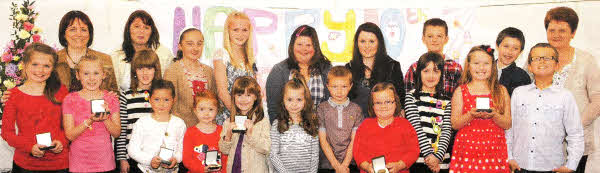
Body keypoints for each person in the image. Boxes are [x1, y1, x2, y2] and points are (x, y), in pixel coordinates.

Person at [531, 7, 600, 173]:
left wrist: (573, 126)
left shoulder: (586, 60)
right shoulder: (536, 57)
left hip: (575, 143)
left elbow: (597, 99)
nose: (556, 35)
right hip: (541, 144)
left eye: (562, 30)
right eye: (551, 30)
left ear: (573, 33)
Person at [507, 43, 584, 173]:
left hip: (551, 167)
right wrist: (509, 157)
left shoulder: (565, 96)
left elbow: (575, 134)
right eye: (536, 58)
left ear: (557, 65)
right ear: (530, 66)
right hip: (519, 166)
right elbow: (509, 128)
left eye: (548, 58)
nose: (542, 61)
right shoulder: (519, 93)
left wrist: (571, 165)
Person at [1, 43, 69, 172]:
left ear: (53, 68)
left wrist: (61, 142)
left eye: (46, 66)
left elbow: (70, 125)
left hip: (60, 164)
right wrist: (29, 147)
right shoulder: (13, 95)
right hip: (26, 165)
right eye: (35, 64)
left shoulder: (61, 92)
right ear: (25, 65)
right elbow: (6, 133)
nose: (40, 70)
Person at [449, 45, 511, 173]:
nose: (481, 68)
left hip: (494, 149)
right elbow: (455, 124)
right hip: (467, 150)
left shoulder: (501, 90)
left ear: (492, 66)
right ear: (469, 65)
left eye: (486, 64)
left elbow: (507, 123)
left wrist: (494, 115)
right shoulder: (461, 91)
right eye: (476, 63)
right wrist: (470, 115)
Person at [62, 55, 121, 172]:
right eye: (86, 74)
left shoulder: (111, 98)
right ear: (78, 76)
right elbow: (69, 135)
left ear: (103, 75)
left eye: (96, 73)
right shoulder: (70, 99)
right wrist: (90, 120)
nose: (91, 78)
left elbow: (116, 133)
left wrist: (105, 119)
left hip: (105, 162)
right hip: (79, 162)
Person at [266, 25, 332, 123]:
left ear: (315, 47)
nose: (304, 49)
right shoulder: (279, 71)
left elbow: (331, 106)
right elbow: (274, 110)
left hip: (320, 133)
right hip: (289, 133)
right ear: (292, 46)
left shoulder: (326, 69)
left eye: (308, 45)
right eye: (299, 44)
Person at [353, 83, 420, 173]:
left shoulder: (405, 125)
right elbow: (358, 152)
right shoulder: (365, 125)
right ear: (372, 106)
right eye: (378, 103)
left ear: (395, 103)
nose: (383, 106)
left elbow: (413, 151)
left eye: (388, 102)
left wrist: (400, 165)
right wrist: (367, 167)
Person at [404, 52, 452, 173]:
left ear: (442, 74)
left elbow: (446, 130)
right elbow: (416, 128)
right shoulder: (411, 97)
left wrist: (437, 157)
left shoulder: (446, 100)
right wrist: (429, 156)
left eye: (436, 71)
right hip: (419, 160)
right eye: (426, 71)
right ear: (419, 73)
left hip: (441, 162)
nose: (431, 75)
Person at [115, 50, 162, 173]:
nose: (145, 73)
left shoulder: (162, 96)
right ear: (134, 71)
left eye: (149, 68)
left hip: (157, 157)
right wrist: (122, 158)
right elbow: (122, 130)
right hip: (133, 158)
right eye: (140, 68)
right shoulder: (126, 96)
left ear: (156, 70)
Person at [346, 22, 405, 117]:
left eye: (372, 41)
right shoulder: (348, 68)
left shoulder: (393, 66)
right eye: (362, 41)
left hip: (385, 125)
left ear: (379, 43)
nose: (367, 46)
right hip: (356, 125)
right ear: (357, 43)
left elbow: (400, 101)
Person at [128, 79, 186, 173]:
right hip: (145, 170)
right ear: (150, 100)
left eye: (166, 100)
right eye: (157, 99)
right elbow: (132, 149)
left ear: (173, 100)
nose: (161, 104)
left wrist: (176, 159)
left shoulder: (179, 123)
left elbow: (182, 149)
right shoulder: (142, 122)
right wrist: (149, 160)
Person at [164, 27, 216, 128]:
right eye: (190, 44)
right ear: (180, 46)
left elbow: (215, 102)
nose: (195, 48)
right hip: (181, 129)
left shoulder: (209, 71)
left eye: (199, 44)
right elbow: (169, 105)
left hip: (206, 128)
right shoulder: (172, 71)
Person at [56, 10, 118, 92]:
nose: (79, 34)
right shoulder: (54, 59)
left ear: (90, 34)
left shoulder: (105, 59)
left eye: (83, 30)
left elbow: (113, 93)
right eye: (73, 29)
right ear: (63, 34)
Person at [111, 10, 174, 91]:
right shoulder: (117, 56)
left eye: (146, 28)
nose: (141, 31)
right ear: (128, 29)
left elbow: (169, 88)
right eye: (137, 26)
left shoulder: (164, 54)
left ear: (152, 32)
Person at [213, 11, 257, 125]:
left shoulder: (251, 57)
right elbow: (222, 92)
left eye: (244, 30)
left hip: (249, 116)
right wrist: (238, 116)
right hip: (229, 117)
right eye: (235, 30)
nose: (240, 34)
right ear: (228, 31)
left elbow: (255, 90)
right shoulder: (222, 54)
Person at [317, 66, 363, 173]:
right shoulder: (322, 108)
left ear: (350, 86)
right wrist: (337, 166)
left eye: (344, 86)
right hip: (327, 164)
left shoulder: (356, 109)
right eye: (334, 86)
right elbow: (323, 140)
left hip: (350, 164)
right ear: (327, 86)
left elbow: (354, 140)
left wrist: (344, 166)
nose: (339, 91)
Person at [219, 76, 270, 173]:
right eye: (239, 95)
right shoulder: (229, 122)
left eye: (248, 95)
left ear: (255, 97)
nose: (243, 99)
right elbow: (223, 150)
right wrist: (228, 136)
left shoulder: (262, 121)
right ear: (233, 97)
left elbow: (266, 148)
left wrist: (251, 134)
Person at [270, 74, 320, 173]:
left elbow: (315, 155)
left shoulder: (312, 124)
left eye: (299, 99)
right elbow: (273, 155)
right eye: (289, 99)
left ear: (306, 101)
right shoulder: (277, 124)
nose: (294, 104)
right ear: (283, 100)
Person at [404, 18, 462, 97]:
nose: (434, 40)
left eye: (439, 36)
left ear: (446, 39)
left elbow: (461, 97)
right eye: (430, 36)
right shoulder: (415, 68)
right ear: (423, 39)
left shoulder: (455, 68)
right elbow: (407, 97)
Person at [183, 91, 228, 173]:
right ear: (195, 110)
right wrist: (201, 169)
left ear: (217, 110)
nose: (206, 113)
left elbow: (225, 157)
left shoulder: (222, 131)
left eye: (211, 109)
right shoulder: (190, 133)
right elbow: (187, 159)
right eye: (202, 109)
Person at [495, 27, 531, 96]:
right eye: (506, 46)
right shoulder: (484, 70)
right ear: (497, 46)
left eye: (515, 48)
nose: (509, 52)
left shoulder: (522, 77)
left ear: (520, 52)